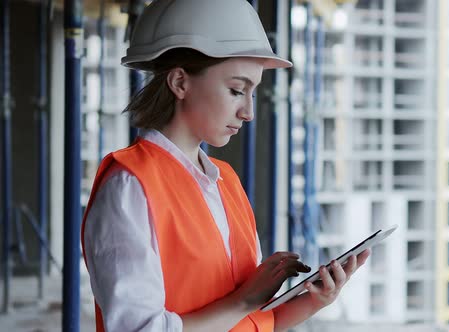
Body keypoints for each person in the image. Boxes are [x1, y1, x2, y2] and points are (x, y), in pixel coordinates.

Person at [81, 0, 370, 331]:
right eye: (236, 90)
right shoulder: (130, 185)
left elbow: (255, 322)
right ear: (180, 83)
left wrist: (318, 298)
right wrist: (245, 299)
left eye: (252, 94)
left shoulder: (225, 182)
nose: (248, 112)